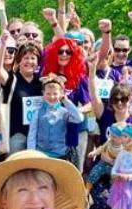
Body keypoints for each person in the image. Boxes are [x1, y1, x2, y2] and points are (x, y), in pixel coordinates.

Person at [41, 36, 91, 171]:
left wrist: (76, 112)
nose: (64, 54)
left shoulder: (80, 76)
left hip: (74, 131)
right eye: (60, 51)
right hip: (50, 132)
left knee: (74, 171)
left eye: (68, 52)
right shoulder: (46, 74)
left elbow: (89, 104)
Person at [0, 32, 43, 154]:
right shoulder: (12, 79)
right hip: (16, 136)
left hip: (38, 137)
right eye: (26, 58)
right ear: (19, 61)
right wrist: (4, 46)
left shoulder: (42, 82)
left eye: (33, 58)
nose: (29, 61)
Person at [26, 74, 83, 163]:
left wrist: (65, 100)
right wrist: (31, 154)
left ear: (61, 93)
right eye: (48, 93)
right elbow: (32, 135)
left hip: (60, 155)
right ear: (43, 93)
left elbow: (79, 118)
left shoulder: (65, 112)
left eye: (55, 93)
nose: (52, 97)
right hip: (41, 154)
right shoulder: (37, 113)